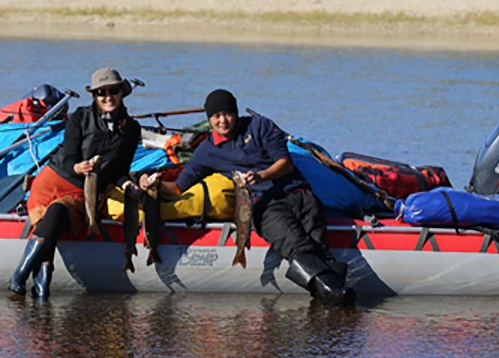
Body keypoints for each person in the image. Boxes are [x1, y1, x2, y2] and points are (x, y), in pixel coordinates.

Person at [140, 89, 355, 306]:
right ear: (209, 119)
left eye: (227, 114)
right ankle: (336, 302)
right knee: (297, 246)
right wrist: (153, 184)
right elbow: (178, 188)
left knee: (322, 251)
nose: (222, 120)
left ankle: (333, 298)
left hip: (299, 195)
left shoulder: (259, 125)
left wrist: (261, 176)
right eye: (216, 116)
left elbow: (285, 163)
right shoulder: (206, 151)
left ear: (235, 113)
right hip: (265, 207)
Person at [9, 67, 142, 299]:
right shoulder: (81, 117)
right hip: (55, 178)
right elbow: (69, 153)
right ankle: (37, 284)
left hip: (84, 191)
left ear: (122, 93)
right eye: (102, 93)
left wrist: (128, 185)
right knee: (50, 218)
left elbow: (120, 171)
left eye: (113, 91)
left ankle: (23, 276)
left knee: (58, 213)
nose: (108, 97)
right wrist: (76, 167)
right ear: (95, 96)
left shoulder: (131, 129)